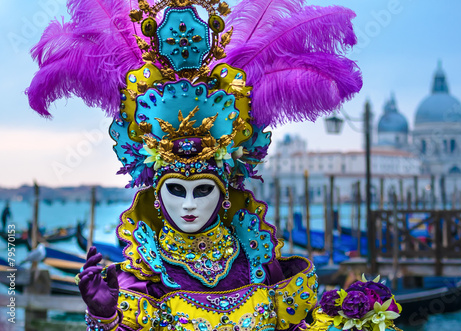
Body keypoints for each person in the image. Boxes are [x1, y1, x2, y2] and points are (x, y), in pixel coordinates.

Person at [27, 0, 362, 330]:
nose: (188, 205)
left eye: (202, 190)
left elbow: (293, 325)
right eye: (176, 190)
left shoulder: (255, 255)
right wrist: (105, 317)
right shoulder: (146, 270)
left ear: (224, 194)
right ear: (157, 196)